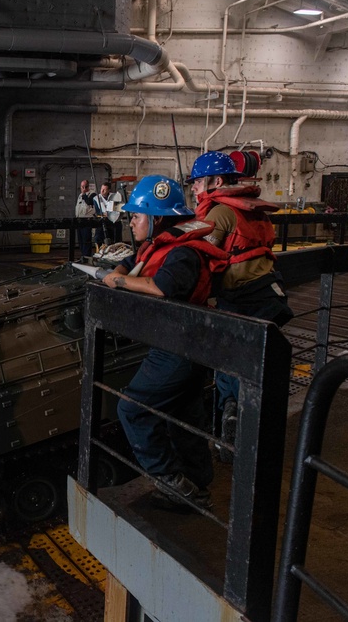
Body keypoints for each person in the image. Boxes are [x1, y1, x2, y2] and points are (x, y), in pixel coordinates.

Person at [102, 175, 228, 511]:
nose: (132, 222)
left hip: (178, 347)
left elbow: (162, 287)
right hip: (183, 344)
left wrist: (115, 281)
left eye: (137, 216)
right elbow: (130, 264)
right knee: (183, 416)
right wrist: (113, 273)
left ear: (157, 219)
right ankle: (197, 486)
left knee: (132, 409)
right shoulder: (160, 245)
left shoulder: (183, 253)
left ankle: (176, 486)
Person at [187, 151, 293, 455]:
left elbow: (197, 257)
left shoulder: (219, 213)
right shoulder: (252, 210)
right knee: (253, 370)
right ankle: (251, 434)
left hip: (241, 301)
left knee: (227, 366)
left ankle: (231, 434)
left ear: (216, 181)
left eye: (197, 183)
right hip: (268, 295)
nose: (194, 188)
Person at [93, 182, 123, 247]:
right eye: (101, 189)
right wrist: (104, 214)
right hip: (103, 220)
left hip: (114, 221)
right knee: (99, 237)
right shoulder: (96, 198)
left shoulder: (115, 196)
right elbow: (98, 211)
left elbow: (120, 209)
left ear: (109, 190)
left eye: (104, 189)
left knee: (116, 236)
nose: (102, 191)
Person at [75, 179, 98, 260]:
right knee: (80, 239)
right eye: (82, 186)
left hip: (87, 220)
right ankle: (82, 255)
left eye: (85, 186)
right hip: (79, 220)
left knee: (86, 239)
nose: (84, 188)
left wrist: (84, 194)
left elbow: (89, 202)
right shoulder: (80, 195)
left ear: (88, 186)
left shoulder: (92, 194)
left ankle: (87, 256)